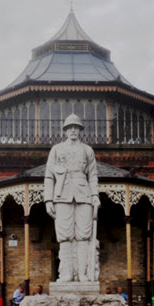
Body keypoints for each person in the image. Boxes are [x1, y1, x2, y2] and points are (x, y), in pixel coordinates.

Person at [44, 114, 100, 282]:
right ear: (65, 130)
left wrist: (95, 195)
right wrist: (48, 199)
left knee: (83, 235)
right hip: (62, 193)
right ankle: (67, 274)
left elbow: (93, 175)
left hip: (84, 194)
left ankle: (82, 274)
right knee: (65, 235)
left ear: (80, 130)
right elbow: (49, 176)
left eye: (76, 127)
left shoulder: (87, 150)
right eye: (70, 128)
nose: (73, 130)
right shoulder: (56, 149)